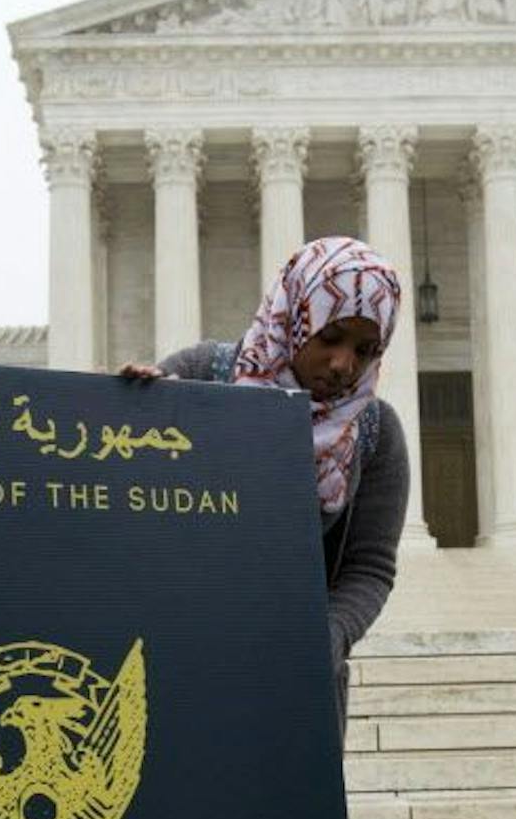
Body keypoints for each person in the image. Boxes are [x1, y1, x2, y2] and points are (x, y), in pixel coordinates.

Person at [119, 235, 410, 733]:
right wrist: (125, 417)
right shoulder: (199, 377)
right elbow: (127, 508)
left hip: (296, 685)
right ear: (294, 318)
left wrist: (326, 639)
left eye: (366, 350)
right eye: (331, 337)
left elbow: (370, 568)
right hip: (178, 667)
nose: (344, 364)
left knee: (285, 810)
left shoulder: (375, 432)